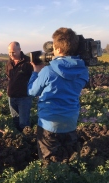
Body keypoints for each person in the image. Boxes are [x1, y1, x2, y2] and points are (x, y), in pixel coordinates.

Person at [27, 27, 89, 163]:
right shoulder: (83, 70)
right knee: (70, 159)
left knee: (50, 163)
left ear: (59, 50)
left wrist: (36, 72)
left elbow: (32, 91)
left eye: (54, 47)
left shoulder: (48, 71)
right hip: (70, 122)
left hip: (49, 124)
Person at [6, 42, 33, 132]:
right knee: (15, 121)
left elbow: (35, 77)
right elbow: (9, 77)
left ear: (19, 50)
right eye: (9, 52)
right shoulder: (9, 63)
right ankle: (19, 142)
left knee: (24, 123)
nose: (11, 54)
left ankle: (27, 141)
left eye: (13, 52)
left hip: (24, 97)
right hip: (11, 97)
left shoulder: (28, 62)